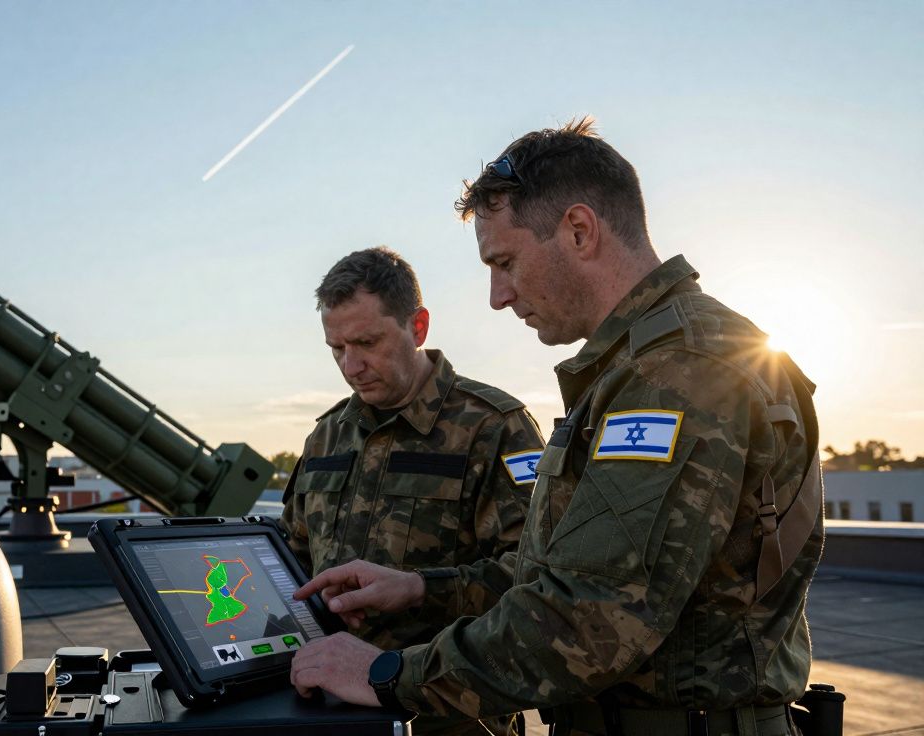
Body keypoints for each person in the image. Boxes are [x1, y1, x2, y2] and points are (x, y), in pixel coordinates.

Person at [289, 120, 824, 736]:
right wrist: (419, 590)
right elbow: (563, 574)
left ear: (578, 231)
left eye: (505, 262)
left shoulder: (677, 373)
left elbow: (590, 620)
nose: (497, 295)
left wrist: (387, 674)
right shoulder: (646, 364)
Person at [281, 246, 545, 735]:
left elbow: (537, 584)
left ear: (417, 327)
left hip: (449, 718)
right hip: (326, 713)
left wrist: (421, 590)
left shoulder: (494, 427)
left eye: (367, 342)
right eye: (336, 348)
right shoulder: (326, 435)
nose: (351, 365)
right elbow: (292, 558)